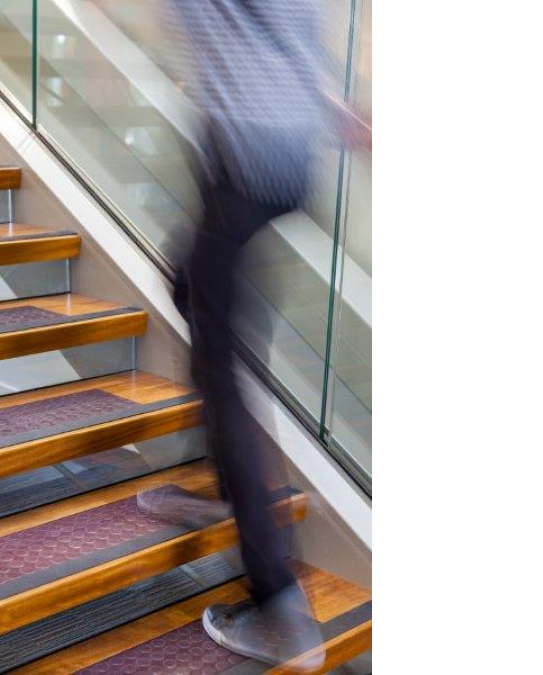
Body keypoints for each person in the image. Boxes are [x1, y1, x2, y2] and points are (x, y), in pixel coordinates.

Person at [136, 0, 369, 669]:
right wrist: (336, 111)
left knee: (219, 367)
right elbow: (293, 34)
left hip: (243, 151)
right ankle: (221, 485)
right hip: (289, 154)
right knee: (190, 284)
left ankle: (279, 607)